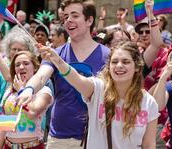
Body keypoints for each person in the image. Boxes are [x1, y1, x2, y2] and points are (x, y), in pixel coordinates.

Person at [16, 0, 110, 148]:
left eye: (74, 15)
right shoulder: (57, 53)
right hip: (59, 138)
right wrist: (29, 89)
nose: (69, 21)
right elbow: (41, 76)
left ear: (89, 20)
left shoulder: (108, 56)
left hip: (95, 136)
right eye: (65, 17)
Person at [38, 41, 159, 148]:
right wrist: (58, 61)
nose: (119, 66)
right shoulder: (98, 89)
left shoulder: (149, 102)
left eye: (126, 62)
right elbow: (76, 79)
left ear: (137, 66)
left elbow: (148, 145)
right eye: (114, 62)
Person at [0, 51, 53, 149]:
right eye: (17, 65)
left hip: (33, 146)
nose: (21, 67)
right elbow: (4, 125)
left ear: (35, 68)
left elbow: (32, 113)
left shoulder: (44, 90)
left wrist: (21, 90)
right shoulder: (9, 91)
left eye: (26, 63)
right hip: (8, 145)